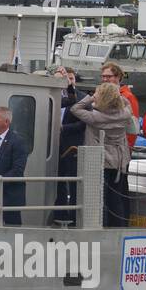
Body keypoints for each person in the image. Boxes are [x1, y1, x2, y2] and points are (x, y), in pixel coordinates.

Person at [69, 82, 139, 227]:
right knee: (116, 198)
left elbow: (75, 108)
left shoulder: (94, 117)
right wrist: (119, 97)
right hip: (119, 161)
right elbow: (127, 104)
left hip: (99, 160)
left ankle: (101, 226)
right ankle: (118, 228)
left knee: (100, 199)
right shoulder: (125, 114)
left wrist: (90, 97)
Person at [54, 66, 86, 213]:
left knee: (73, 182)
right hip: (51, 147)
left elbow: (83, 123)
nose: (66, 81)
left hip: (72, 146)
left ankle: (73, 215)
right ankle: (59, 212)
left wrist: (63, 128)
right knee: (57, 181)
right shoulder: (52, 96)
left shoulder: (81, 98)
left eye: (70, 79)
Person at [101, 62, 141, 150]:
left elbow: (132, 126)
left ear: (118, 77)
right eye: (103, 76)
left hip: (120, 147)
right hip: (103, 144)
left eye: (109, 76)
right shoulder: (100, 96)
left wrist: (127, 148)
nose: (105, 79)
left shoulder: (128, 97)